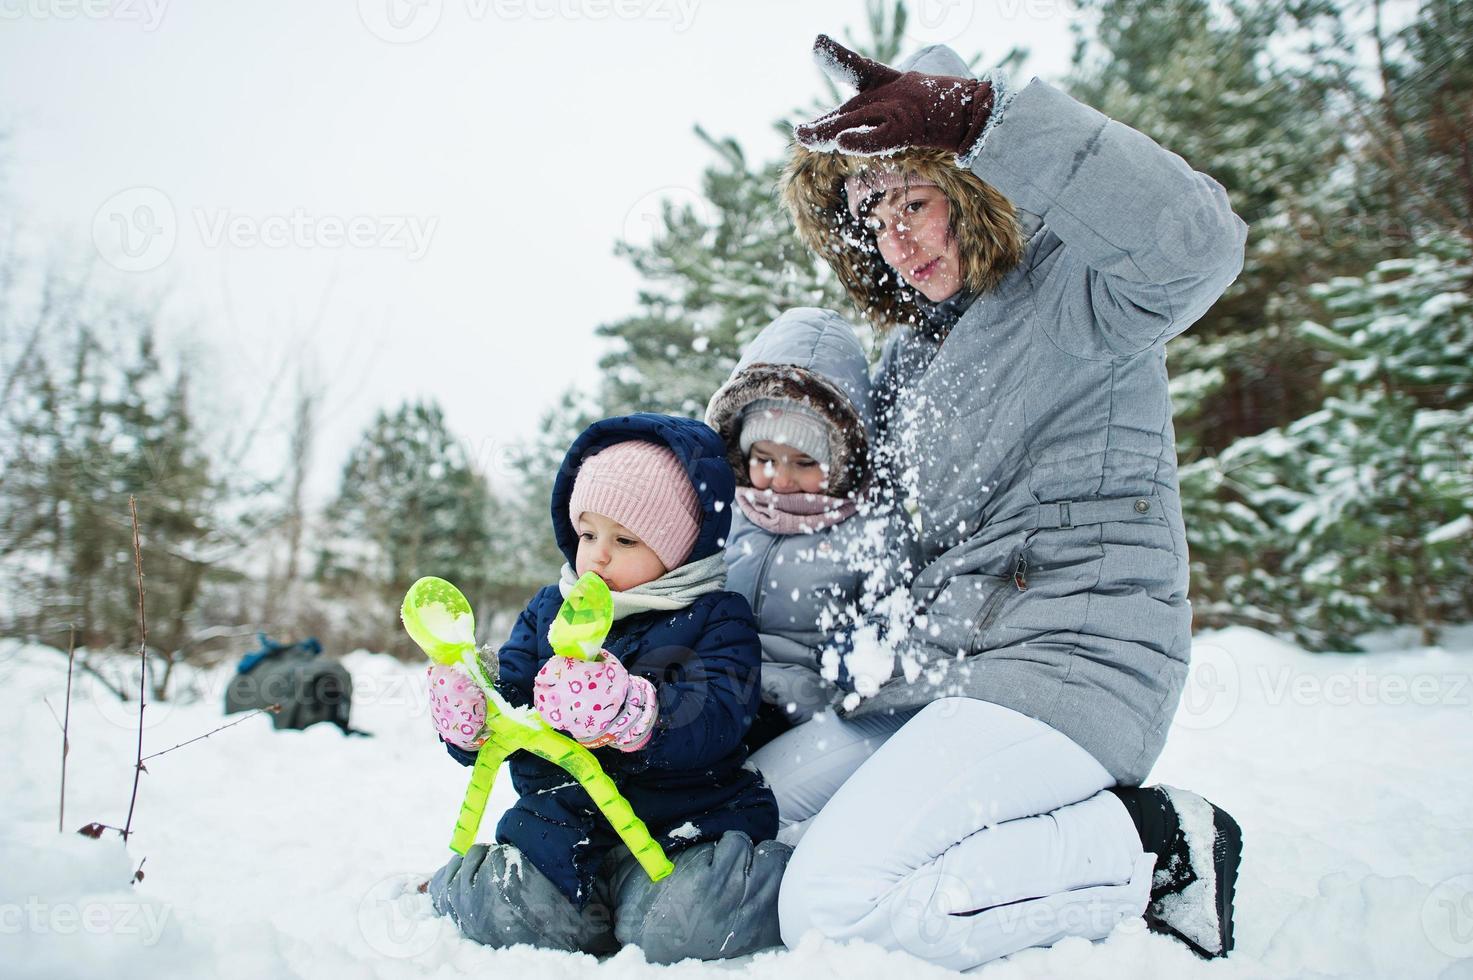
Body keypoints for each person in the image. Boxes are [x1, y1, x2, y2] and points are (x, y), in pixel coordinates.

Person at [760, 36, 1250, 967]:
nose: (894, 238)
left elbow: (1199, 245)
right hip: (942, 679)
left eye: (914, 199)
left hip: (1072, 662)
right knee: (755, 816)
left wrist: (982, 118)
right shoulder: (910, 360)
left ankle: (1151, 849)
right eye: (871, 212)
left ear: (976, 191)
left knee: (830, 908)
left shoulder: (1077, 289)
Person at [425, 414, 790, 963]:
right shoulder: (550, 610)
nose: (596, 555)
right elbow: (515, 695)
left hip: (682, 830)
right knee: (503, 911)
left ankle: (771, 881)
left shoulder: (715, 616)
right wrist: (476, 712)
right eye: (588, 533)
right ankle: (562, 908)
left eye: (625, 540)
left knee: (687, 925)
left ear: (681, 549)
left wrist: (633, 713)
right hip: (564, 833)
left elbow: (719, 715)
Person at [705, 307, 918, 757]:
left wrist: (853, 658)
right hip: (711, 688)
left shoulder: (872, 525)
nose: (780, 481)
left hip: (803, 710)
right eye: (764, 459)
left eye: (804, 463)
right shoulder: (724, 510)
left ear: (840, 460)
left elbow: (895, 617)